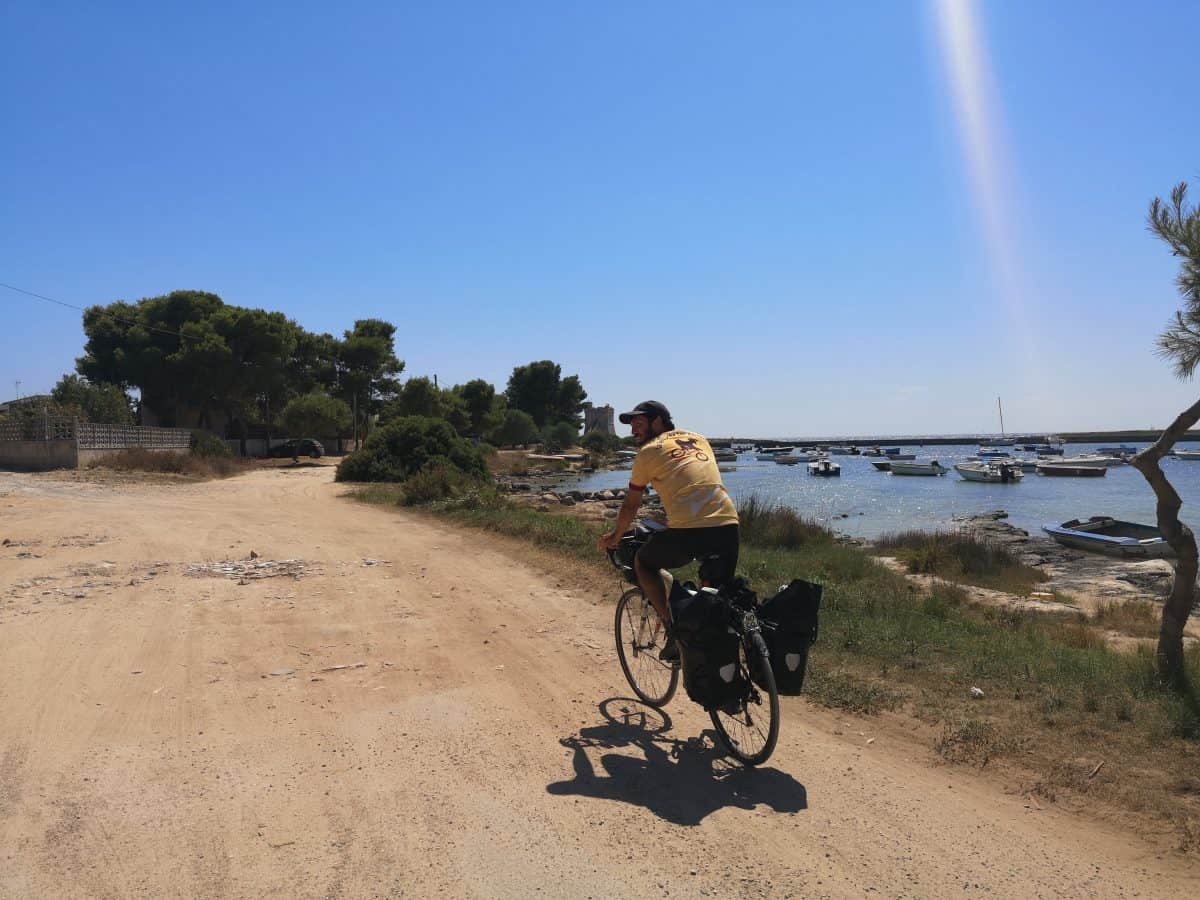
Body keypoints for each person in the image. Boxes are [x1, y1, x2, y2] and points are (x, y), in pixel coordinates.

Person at [597, 401, 740, 661]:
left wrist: (614, 537)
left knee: (644, 562)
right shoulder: (699, 439)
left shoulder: (648, 452)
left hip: (690, 531)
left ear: (658, 421)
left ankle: (673, 628)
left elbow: (631, 505)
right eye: (632, 426)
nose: (633, 431)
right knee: (720, 599)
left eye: (639, 424)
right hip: (728, 524)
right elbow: (694, 484)